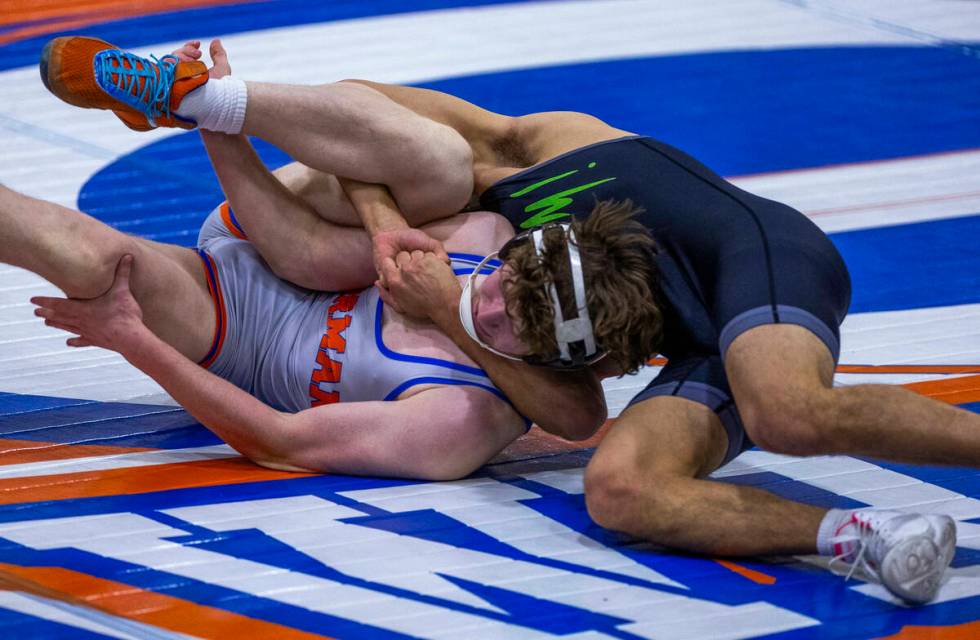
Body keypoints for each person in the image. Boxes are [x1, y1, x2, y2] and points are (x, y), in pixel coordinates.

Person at [38, 36, 975, 605]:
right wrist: (380, 220)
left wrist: (447, 304)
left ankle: (209, 102)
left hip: (749, 262)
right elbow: (359, 122)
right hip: (592, 307)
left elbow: (567, 411)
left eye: (490, 295)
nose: (482, 292)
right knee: (619, 489)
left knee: (787, 414)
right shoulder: (479, 186)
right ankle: (863, 539)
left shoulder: (561, 153)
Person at [4, 148, 529, 480]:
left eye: (504, 325)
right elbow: (311, 248)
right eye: (498, 284)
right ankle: (200, 94)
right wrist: (220, 122)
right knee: (437, 168)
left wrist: (131, 338)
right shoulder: (485, 241)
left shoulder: (462, 422)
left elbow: (277, 443)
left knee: (94, 260)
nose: (482, 302)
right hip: (281, 235)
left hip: (233, 325)